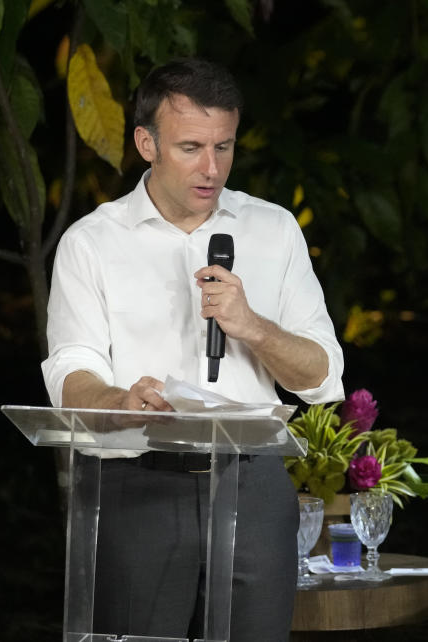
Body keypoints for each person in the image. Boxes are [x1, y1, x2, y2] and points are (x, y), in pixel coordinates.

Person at [41, 58, 344, 641]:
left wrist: (252, 325)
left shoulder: (273, 229)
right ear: (145, 142)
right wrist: (117, 401)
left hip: (252, 482)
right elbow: (69, 370)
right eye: (190, 147)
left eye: (224, 146)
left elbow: (321, 377)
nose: (211, 168)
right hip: (140, 481)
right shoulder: (92, 243)